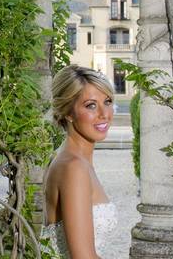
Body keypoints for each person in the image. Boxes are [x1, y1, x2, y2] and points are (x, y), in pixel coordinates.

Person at [41, 64, 117, 258]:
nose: (104, 114)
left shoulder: (73, 160)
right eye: (91, 105)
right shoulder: (74, 168)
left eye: (107, 101)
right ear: (68, 112)